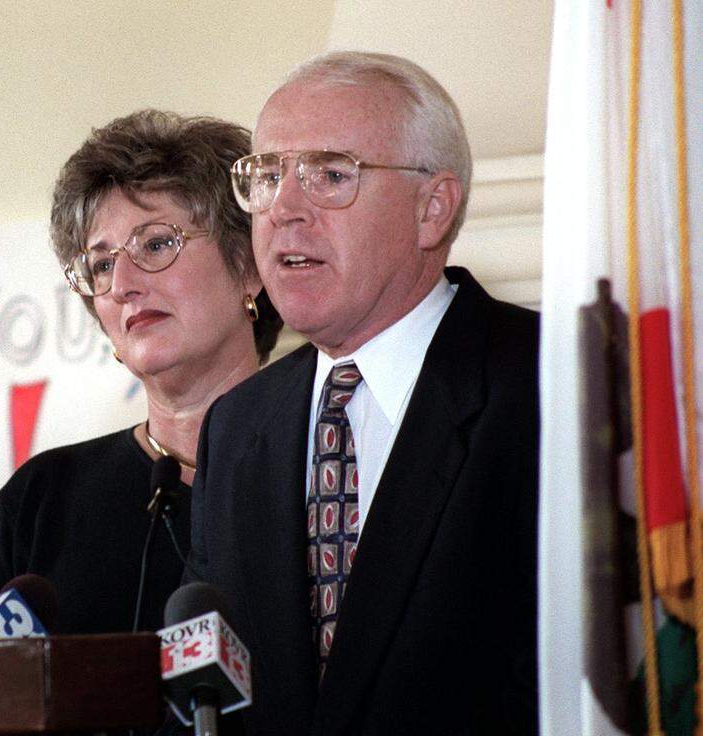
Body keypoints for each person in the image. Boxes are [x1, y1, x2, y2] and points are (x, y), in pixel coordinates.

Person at [188, 52, 539, 734]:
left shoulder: (553, 382)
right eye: (266, 175)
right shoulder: (236, 427)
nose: (284, 209)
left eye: (329, 174)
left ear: (432, 209)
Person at [0, 110, 282, 638]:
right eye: (100, 264)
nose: (121, 283)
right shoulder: (42, 501)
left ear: (250, 265)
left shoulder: (323, 471)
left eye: (157, 244)